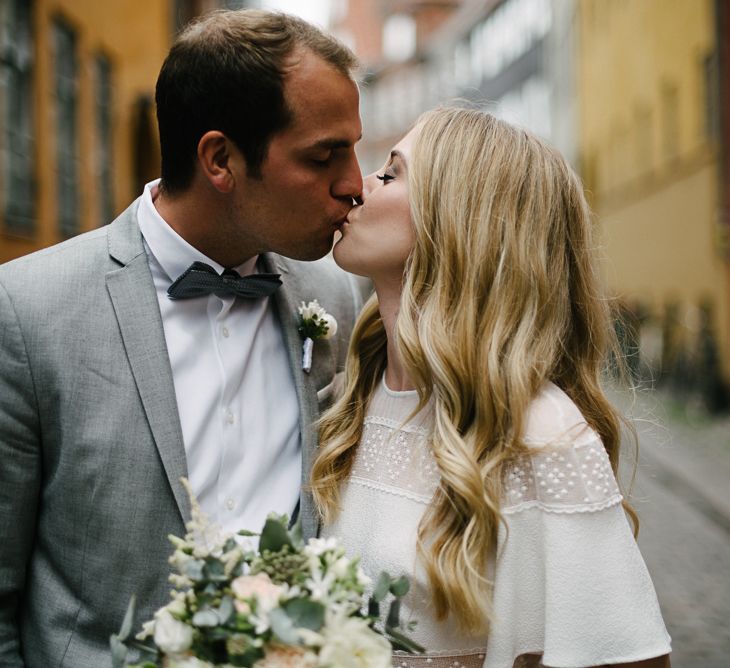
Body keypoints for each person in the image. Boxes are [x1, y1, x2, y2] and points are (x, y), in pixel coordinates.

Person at [0, 9, 365, 666]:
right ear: (220, 159)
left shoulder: (333, 296)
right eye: (323, 156)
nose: (354, 185)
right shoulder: (27, 311)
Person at [311, 107, 672, 668]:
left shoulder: (541, 431)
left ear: (456, 219)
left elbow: (628, 659)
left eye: (391, 173)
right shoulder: (351, 396)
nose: (358, 187)